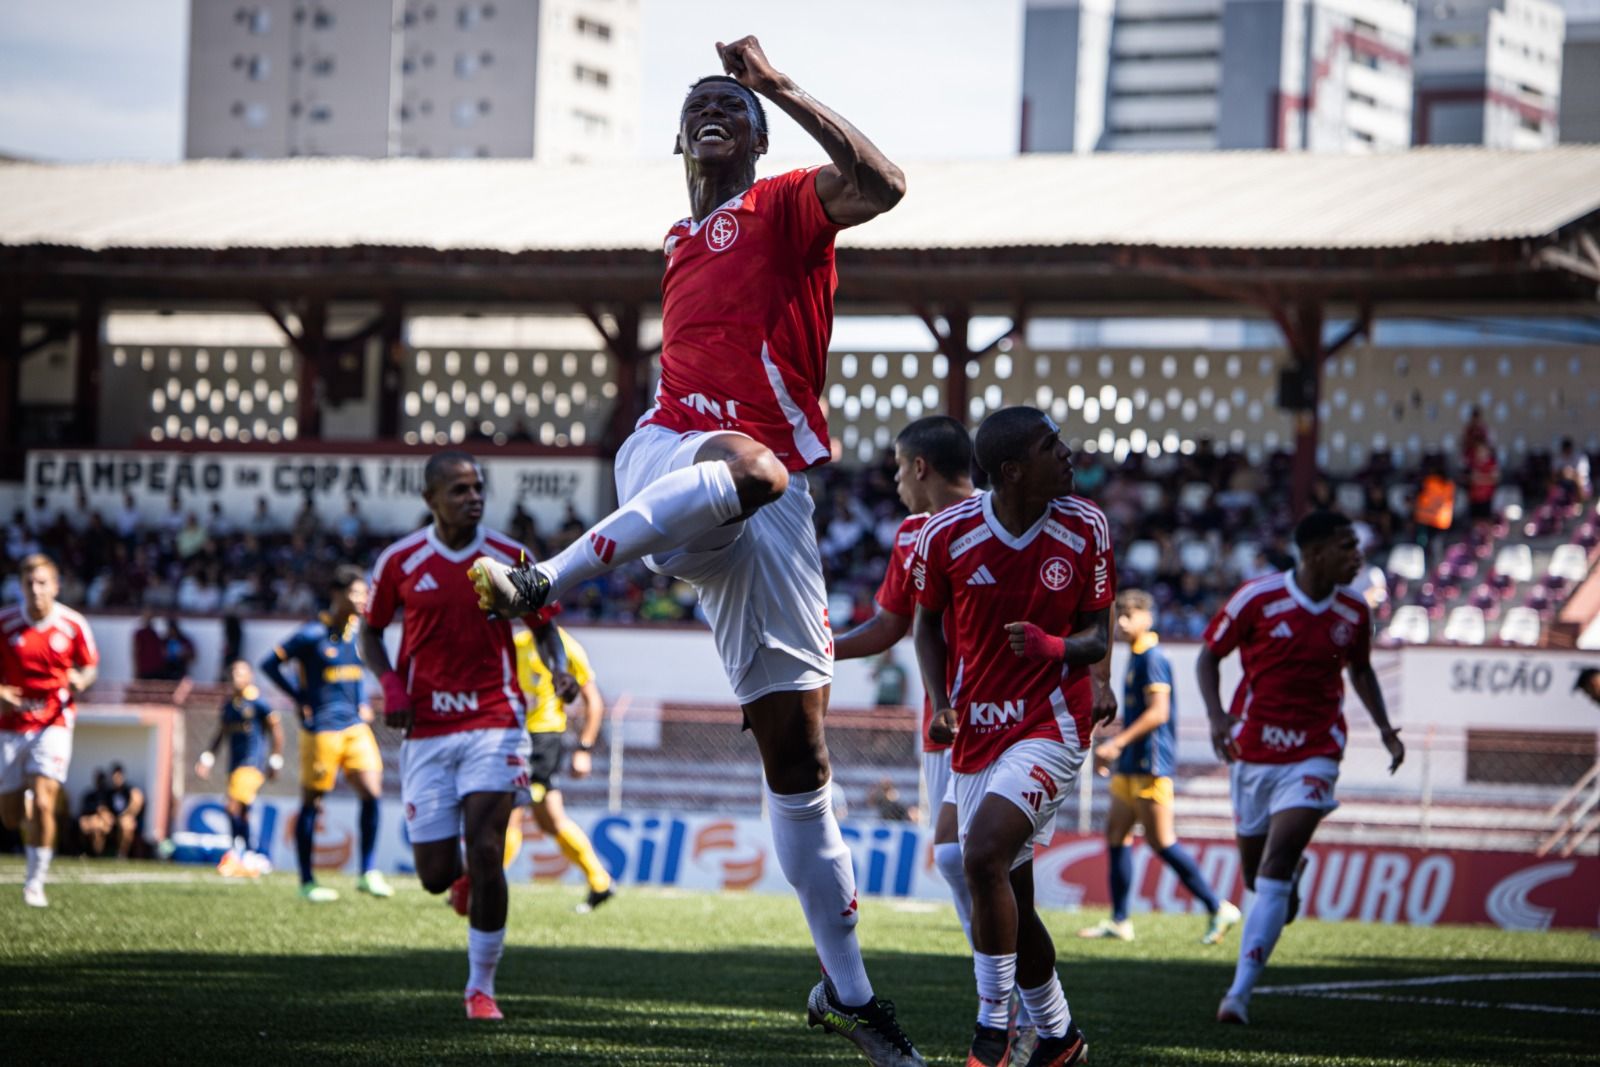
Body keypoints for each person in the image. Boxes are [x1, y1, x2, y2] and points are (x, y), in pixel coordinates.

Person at [467, 36, 921, 1065]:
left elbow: (885, 184)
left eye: (733, 105)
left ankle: (850, 993)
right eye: (699, 104)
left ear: (759, 138)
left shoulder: (784, 203)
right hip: (675, 455)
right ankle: (542, 578)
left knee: (801, 761)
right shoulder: (677, 237)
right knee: (754, 465)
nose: (716, 109)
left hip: (768, 513)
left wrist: (779, 85)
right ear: (679, 140)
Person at [911, 406, 1113, 1067]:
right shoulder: (945, 534)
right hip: (978, 729)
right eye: (1051, 446)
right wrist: (942, 701)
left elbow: (1098, 634)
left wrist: (1056, 647)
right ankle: (1059, 1037)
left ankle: (991, 1032)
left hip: (1053, 722)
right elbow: (926, 625)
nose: (1068, 454)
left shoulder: (1086, 527)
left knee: (981, 854)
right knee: (1010, 898)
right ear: (1013, 470)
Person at [359, 450, 567, 1022]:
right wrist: (390, 685)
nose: (473, 497)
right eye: (459, 489)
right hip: (426, 728)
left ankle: (481, 988)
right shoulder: (400, 561)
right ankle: (460, 881)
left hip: (495, 720)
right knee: (433, 875)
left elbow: (545, 627)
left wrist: (559, 670)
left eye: (477, 488)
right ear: (430, 499)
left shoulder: (509, 556)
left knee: (486, 849)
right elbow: (369, 633)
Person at [1198, 511, 1405, 1026]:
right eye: (1346, 546)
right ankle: (1287, 883)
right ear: (1314, 553)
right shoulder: (1256, 598)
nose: (1357, 556)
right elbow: (1209, 656)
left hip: (1316, 750)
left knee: (1274, 866)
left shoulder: (1354, 610)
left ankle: (1238, 995)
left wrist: (1385, 729)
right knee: (1255, 875)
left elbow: (1361, 670)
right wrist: (1217, 716)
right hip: (1253, 751)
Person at [1078, 589, 1240, 945]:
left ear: (1147, 618)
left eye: (1129, 615)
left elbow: (1158, 713)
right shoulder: (1137, 655)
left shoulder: (1153, 657)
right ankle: (1120, 921)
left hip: (1150, 765)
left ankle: (1218, 906)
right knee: (1116, 834)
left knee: (1162, 841)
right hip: (1131, 764)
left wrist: (1117, 743)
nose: (1121, 622)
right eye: (1119, 615)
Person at [261, 565, 392, 904]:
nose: (362, 599)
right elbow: (269, 664)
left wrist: (363, 702)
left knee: (372, 791)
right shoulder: (311, 634)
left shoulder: (358, 632)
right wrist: (300, 697)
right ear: (337, 594)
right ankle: (307, 881)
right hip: (321, 730)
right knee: (313, 802)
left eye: (365, 593)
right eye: (355, 593)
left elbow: (355, 675)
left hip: (355, 726)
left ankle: (367, 872)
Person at [0, 554, 99, 906]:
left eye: (42, 583)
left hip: (54, 722)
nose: (36, 590)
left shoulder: (72, 624)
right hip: (11, 726)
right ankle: (24, 804)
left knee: (45, 801)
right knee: (10, 817)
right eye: (29, 583)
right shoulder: (6, 623)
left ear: (55, 587)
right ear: (21, 587)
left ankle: (35, 882)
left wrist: (80, 680)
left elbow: (90, 667)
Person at [503, 621, 616, 913]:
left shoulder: (567, 648)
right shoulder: (518, 642)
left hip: (543, 740)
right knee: (549, 821)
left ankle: (479, 885)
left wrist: (584, 749)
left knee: (510, 811)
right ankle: (600, 882)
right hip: (515, 737)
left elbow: (593, 701)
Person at [196, 659, 284, 866]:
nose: (235, 677)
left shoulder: (258, 702)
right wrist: (208, 758)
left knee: (232, 806)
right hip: (234, 765)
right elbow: (221, 734)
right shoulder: (230, 706)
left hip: (252, 763)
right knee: (242, 810)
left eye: (240, 673)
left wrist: (275, 759)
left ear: (250, 676)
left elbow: (276, 731)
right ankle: (247, 852)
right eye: (233, 673)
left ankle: (240, 849)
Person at [101, 763, 145, 859]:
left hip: (125, 818)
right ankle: (98, 855)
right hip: (112, 820)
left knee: (126, 823)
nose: (117, 778)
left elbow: (137, 801)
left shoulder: (129, 789)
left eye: (119, 776)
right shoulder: (108, 792)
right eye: (115, 776)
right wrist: (107, 816)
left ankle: (121, 854)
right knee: (97, 824)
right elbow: (102, 807)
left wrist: (125, 815)